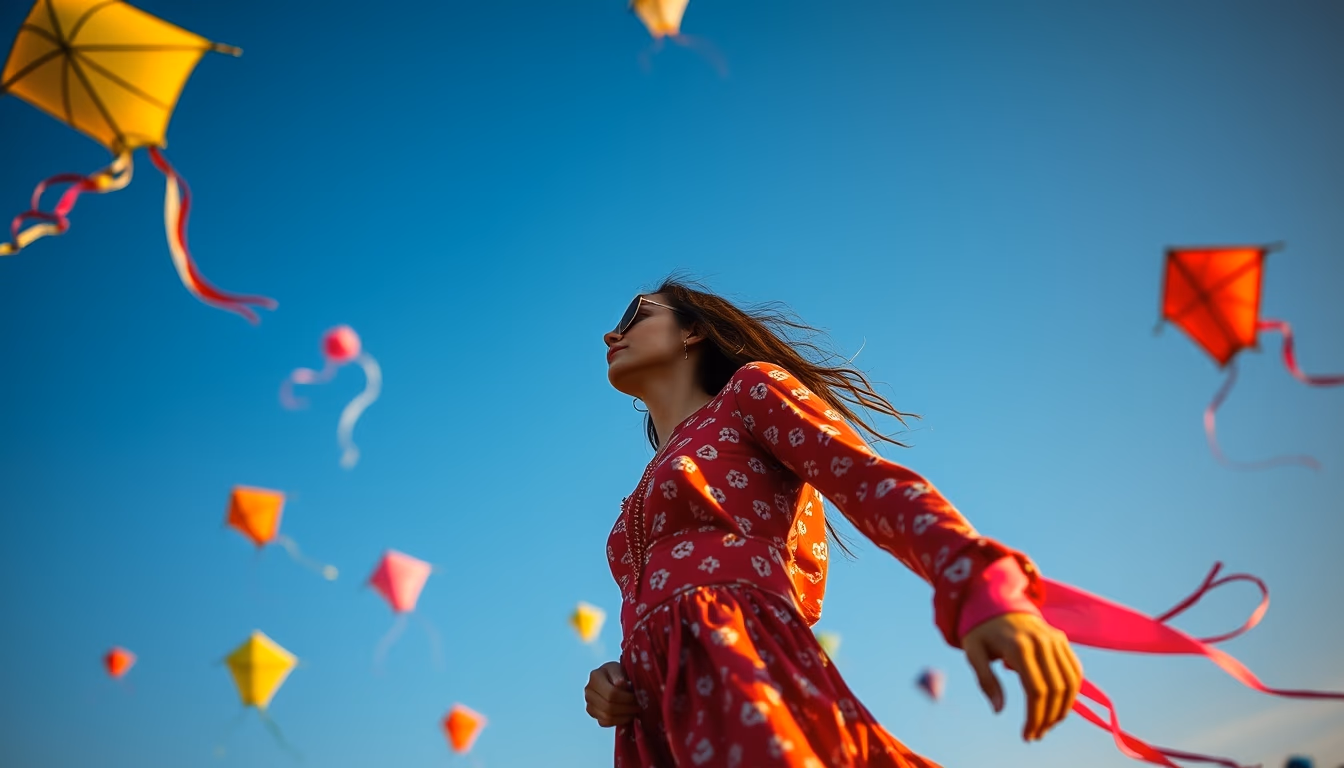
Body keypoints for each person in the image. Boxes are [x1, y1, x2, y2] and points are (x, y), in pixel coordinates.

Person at [584, 279, 1082, 767]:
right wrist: (619, 675)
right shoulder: (646, 480)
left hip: (745, 669)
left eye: (635, 315)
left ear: (692, 330)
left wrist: (978, 582)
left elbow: (866, 481)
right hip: (655, 728)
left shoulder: (748, 391)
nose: (612, 333)